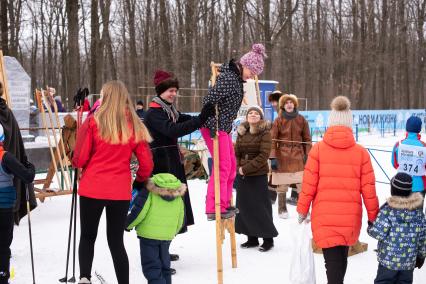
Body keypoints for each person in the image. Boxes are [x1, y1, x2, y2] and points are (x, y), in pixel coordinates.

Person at [72, 80, 153, 284]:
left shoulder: (93, 121)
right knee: (116, 242)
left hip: (92, 187)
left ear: (105, 96)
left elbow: (80, 158)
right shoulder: (134, 123)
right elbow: (146, 162)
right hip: (119, 190)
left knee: (88, 236)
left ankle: (84, 277)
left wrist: (76, 161)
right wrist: (140, 180)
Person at [297, 96, 379, 284]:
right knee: (340, 259)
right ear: (350, 124)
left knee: (333, 262)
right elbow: (369, 190)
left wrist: (302, 209)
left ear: (330, 123)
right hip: (350, 216)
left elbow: (308, 184)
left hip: (324, 216)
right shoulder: (361, 153)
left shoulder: (318, 150)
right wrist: (373, 217)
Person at [143, 70, 214, 270]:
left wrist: (202, 116)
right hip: (161, 166)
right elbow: (173, 130)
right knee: (162, 208)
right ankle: (157, 255)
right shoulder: (154, 113)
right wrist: (200, 120)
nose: (174, 94)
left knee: (172, 208)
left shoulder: (169, 111)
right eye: (170, 90)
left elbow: (183, 120)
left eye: (175, 90)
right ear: (161, 91)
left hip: (171, 163)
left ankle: (164, 249)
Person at [200, 43, 266, 220]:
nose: (253, 75)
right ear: (244, 65)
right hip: (214, 126)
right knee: (222, 166)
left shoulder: (237, 79)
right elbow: (209, 100)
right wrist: (212, 124)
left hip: (225, 127)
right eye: (252, 71)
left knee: (230, 167)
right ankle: (214, 206)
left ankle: (225, 202)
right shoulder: (229, 78)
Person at [126, 173, 186, 284]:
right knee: (165, 268)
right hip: (167, 237)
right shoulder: (178, 195)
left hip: (148, 237)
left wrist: (127, 224)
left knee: (152, 267)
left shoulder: (149, 192)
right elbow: (181, 218)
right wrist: (172, 232)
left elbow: (139, 212)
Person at [367, 173, 426, 284]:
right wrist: (421, 255)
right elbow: (423, 238)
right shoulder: (419, 214)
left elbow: (377, 233)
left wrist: (370, 227)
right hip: (408, 263)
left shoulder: (387, 211)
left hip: (388, 262)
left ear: (392, 190)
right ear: (410, 191)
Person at [234, 106, 278, 252]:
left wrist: (244, 168)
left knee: (261, 208)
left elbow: (263, 156)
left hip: (257, 175)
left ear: (261, 117)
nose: (253, 115)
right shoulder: (241, 132)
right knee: (245, 207)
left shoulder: (265, 133)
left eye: (256, 113)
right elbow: (236, 153)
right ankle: (251, 238)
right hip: (242, 175)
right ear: (247, 117)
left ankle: (267, 239)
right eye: (250, 113)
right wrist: (238, 167)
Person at [0, 124, 35, 284]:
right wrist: (30, 166)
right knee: (3, 247)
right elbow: (27, 176)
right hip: (4, 209)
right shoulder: (5, 157)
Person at [270, 94, 311, 218]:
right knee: (282, 183)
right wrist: (273, 157)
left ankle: (303, 210)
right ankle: (282, 209)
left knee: (302, 184)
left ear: (294, 104)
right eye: (286, 102)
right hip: (282, 155)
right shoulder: (278, 120)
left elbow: (307, 139)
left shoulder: (302, 119)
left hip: (298, 155)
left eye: (291, 102)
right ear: (283, 105)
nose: (289, 104)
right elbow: (272, 139)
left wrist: (307, 154)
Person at [391, 116, 426, 203]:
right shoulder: (424, 146)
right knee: (418, 215)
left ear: (406, 128)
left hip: (401, 185)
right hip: (419, 186)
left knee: (401, 214)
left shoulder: (398, 145)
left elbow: (394, 164)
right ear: (419, 129)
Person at [266, 90, 283, 204]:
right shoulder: (279, 112)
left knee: (276, 171)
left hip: (283, 147)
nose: (273, 104)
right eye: (271, 102)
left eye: (274, 101)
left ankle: (271, 197)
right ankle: (271, 196)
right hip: (279, 146)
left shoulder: (283, 112)